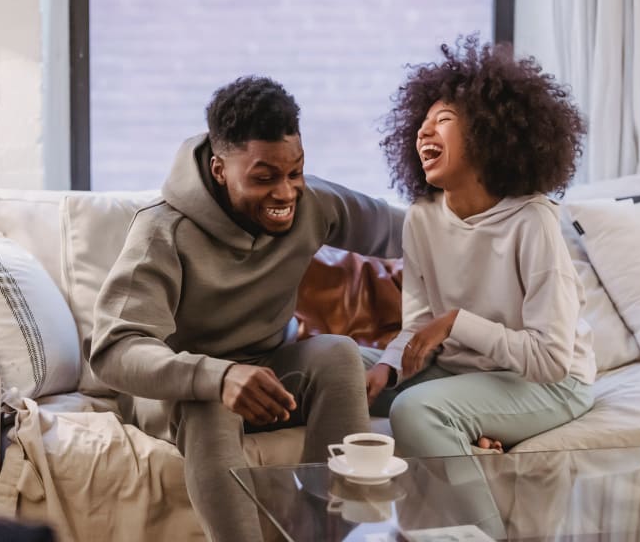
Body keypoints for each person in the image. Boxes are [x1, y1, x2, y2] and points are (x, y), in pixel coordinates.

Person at [89, 76, 404, 541]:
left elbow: (408, 231)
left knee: (337, 353)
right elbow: (113, 350)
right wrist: (216, 376)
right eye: (264, 178)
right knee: (210, 407)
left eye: (294, 172)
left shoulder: (312, 203)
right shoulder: (163, 231)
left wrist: (500, 214)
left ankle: (330, 534)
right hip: (182, 390)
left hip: (268, 373)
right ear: (219, 169)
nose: (286, 193)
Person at [364, 36, 597, 458]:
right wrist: (388, 365)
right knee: (342, 373)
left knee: (415, 409)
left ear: (490, 134)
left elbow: (551, 360)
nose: (423, 131)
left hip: (549, 384)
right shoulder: (422, 216)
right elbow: (418, 328)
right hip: (460, 372)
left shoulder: (533, 221)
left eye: (445, 119)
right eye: (423, 122)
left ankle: (478, 527)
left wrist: (456, 323)